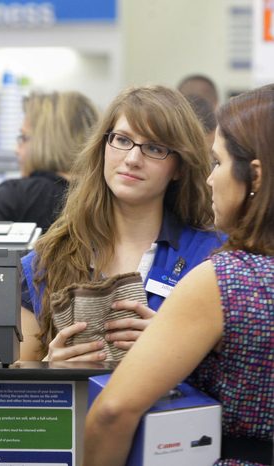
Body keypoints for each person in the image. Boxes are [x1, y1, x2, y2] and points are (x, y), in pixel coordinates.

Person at [83, 84, 273, 466]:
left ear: (254, 177)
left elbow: (112, 412)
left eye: (217, 164)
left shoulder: (226, 278)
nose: (209, 179)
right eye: (121, 140)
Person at [19, 85, 223, 362]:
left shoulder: (214, 256)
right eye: (122, 140)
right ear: (103, 146)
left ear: (180, 167)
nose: (132, 159)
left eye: (154, 148)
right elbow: (16, 385)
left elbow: (236, 377)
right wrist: (51, 369)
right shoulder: (46, 260)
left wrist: (175, 345)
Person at [0, 91, 98, 232]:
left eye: (23, 138)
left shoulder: (18, 195)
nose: (16, 150)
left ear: (45, 142)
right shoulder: (102, 200)